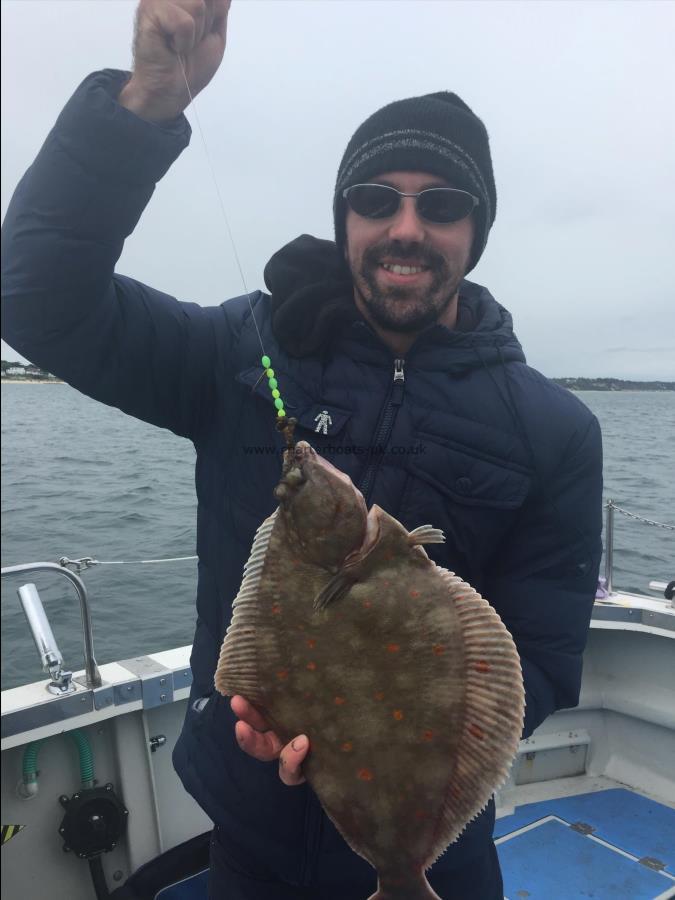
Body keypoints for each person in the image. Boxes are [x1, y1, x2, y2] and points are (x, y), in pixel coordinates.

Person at [1, 1, 603, 897]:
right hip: (252, 838)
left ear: (475, 230)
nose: (405, 228)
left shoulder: (554, 430)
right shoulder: (238, 352)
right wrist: (144, 109)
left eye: (439, 205)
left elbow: (545, 660)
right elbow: (35, 296)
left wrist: (384, 724)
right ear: (343, 217)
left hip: (439, 844)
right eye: (374, 200)